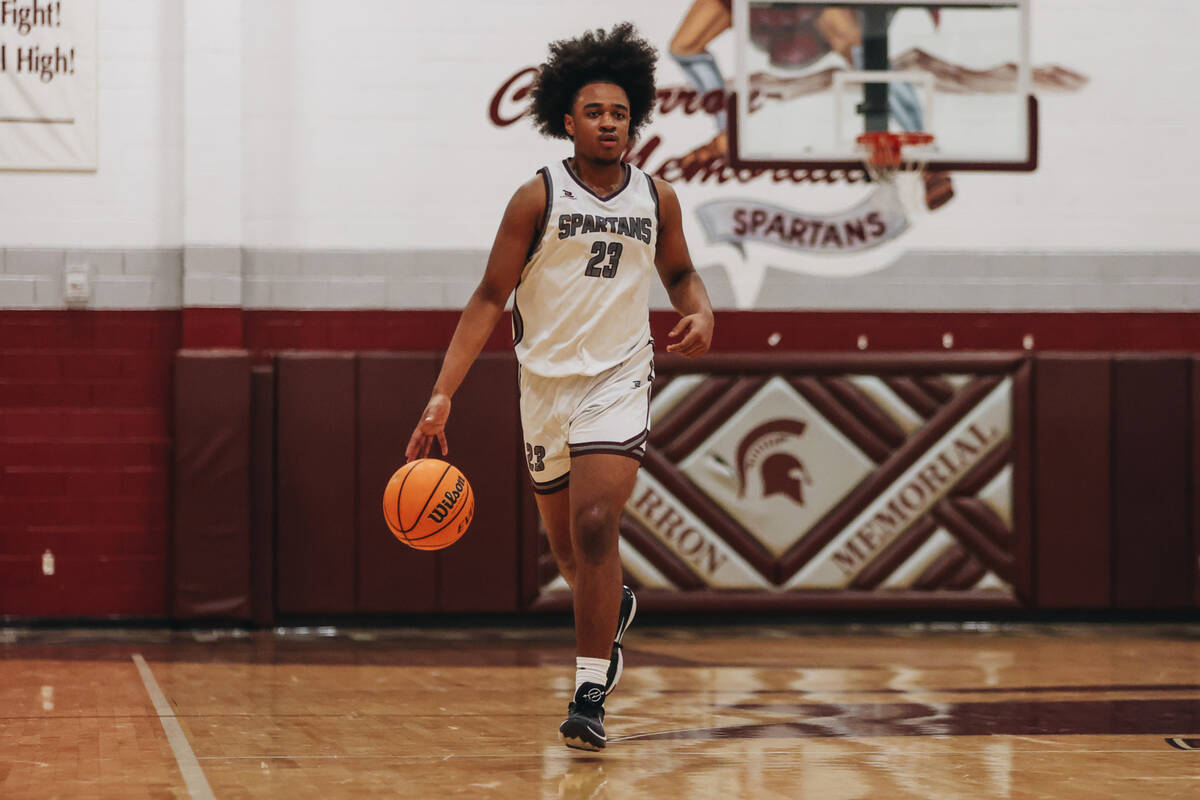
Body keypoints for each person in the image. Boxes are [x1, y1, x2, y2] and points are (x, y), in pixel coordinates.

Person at [405, 22, 715, 751]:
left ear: (632, 119)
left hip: (618, 378)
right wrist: (442, 392)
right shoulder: (534, 198)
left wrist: (700, 309)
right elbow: (489, 297)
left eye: (620, 112)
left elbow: (680, 274)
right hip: (543, 389)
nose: (610, 123)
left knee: (596, 524)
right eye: (595, 112)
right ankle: (613, 611)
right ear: (566, 121)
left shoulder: (656, 198)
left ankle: (587, 694)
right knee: (573, 559)